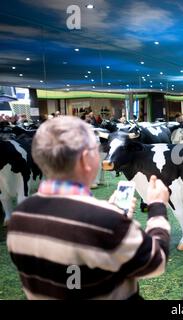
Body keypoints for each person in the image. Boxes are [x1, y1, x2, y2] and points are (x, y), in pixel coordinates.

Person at [6, 116, 171, 300]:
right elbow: (156, 262)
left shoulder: (19, 216)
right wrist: (157, 207)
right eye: (98, 150)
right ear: (86, 159)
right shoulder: (107, 221)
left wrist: (110, 213)